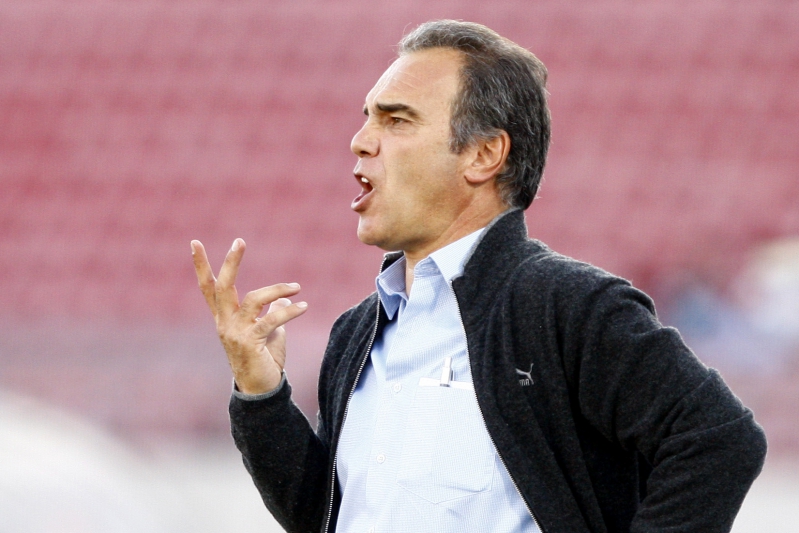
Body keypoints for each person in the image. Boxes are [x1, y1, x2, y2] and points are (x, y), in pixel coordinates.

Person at [191, 20, 766, 533]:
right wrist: (261, 395)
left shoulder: (566, 305)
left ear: (484, 155)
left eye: (397, 120)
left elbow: (717, 438)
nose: (360, 140)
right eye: (367, 118)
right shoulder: (355, 333)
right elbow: (329, 514)